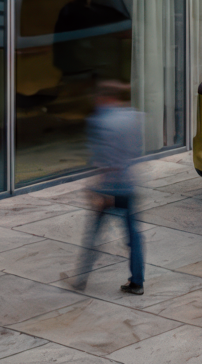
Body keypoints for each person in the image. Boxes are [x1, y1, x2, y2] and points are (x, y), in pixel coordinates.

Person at [71, 81, 147, 295]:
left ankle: (81, 278)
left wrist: (98, 189)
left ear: (104, 98)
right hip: (129, 184)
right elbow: (136, 149)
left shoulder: (99, 121)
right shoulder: (134, 117)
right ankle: (137, 282)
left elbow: (101, 158)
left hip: (110, 187)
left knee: (93, 235)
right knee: (134, 237)